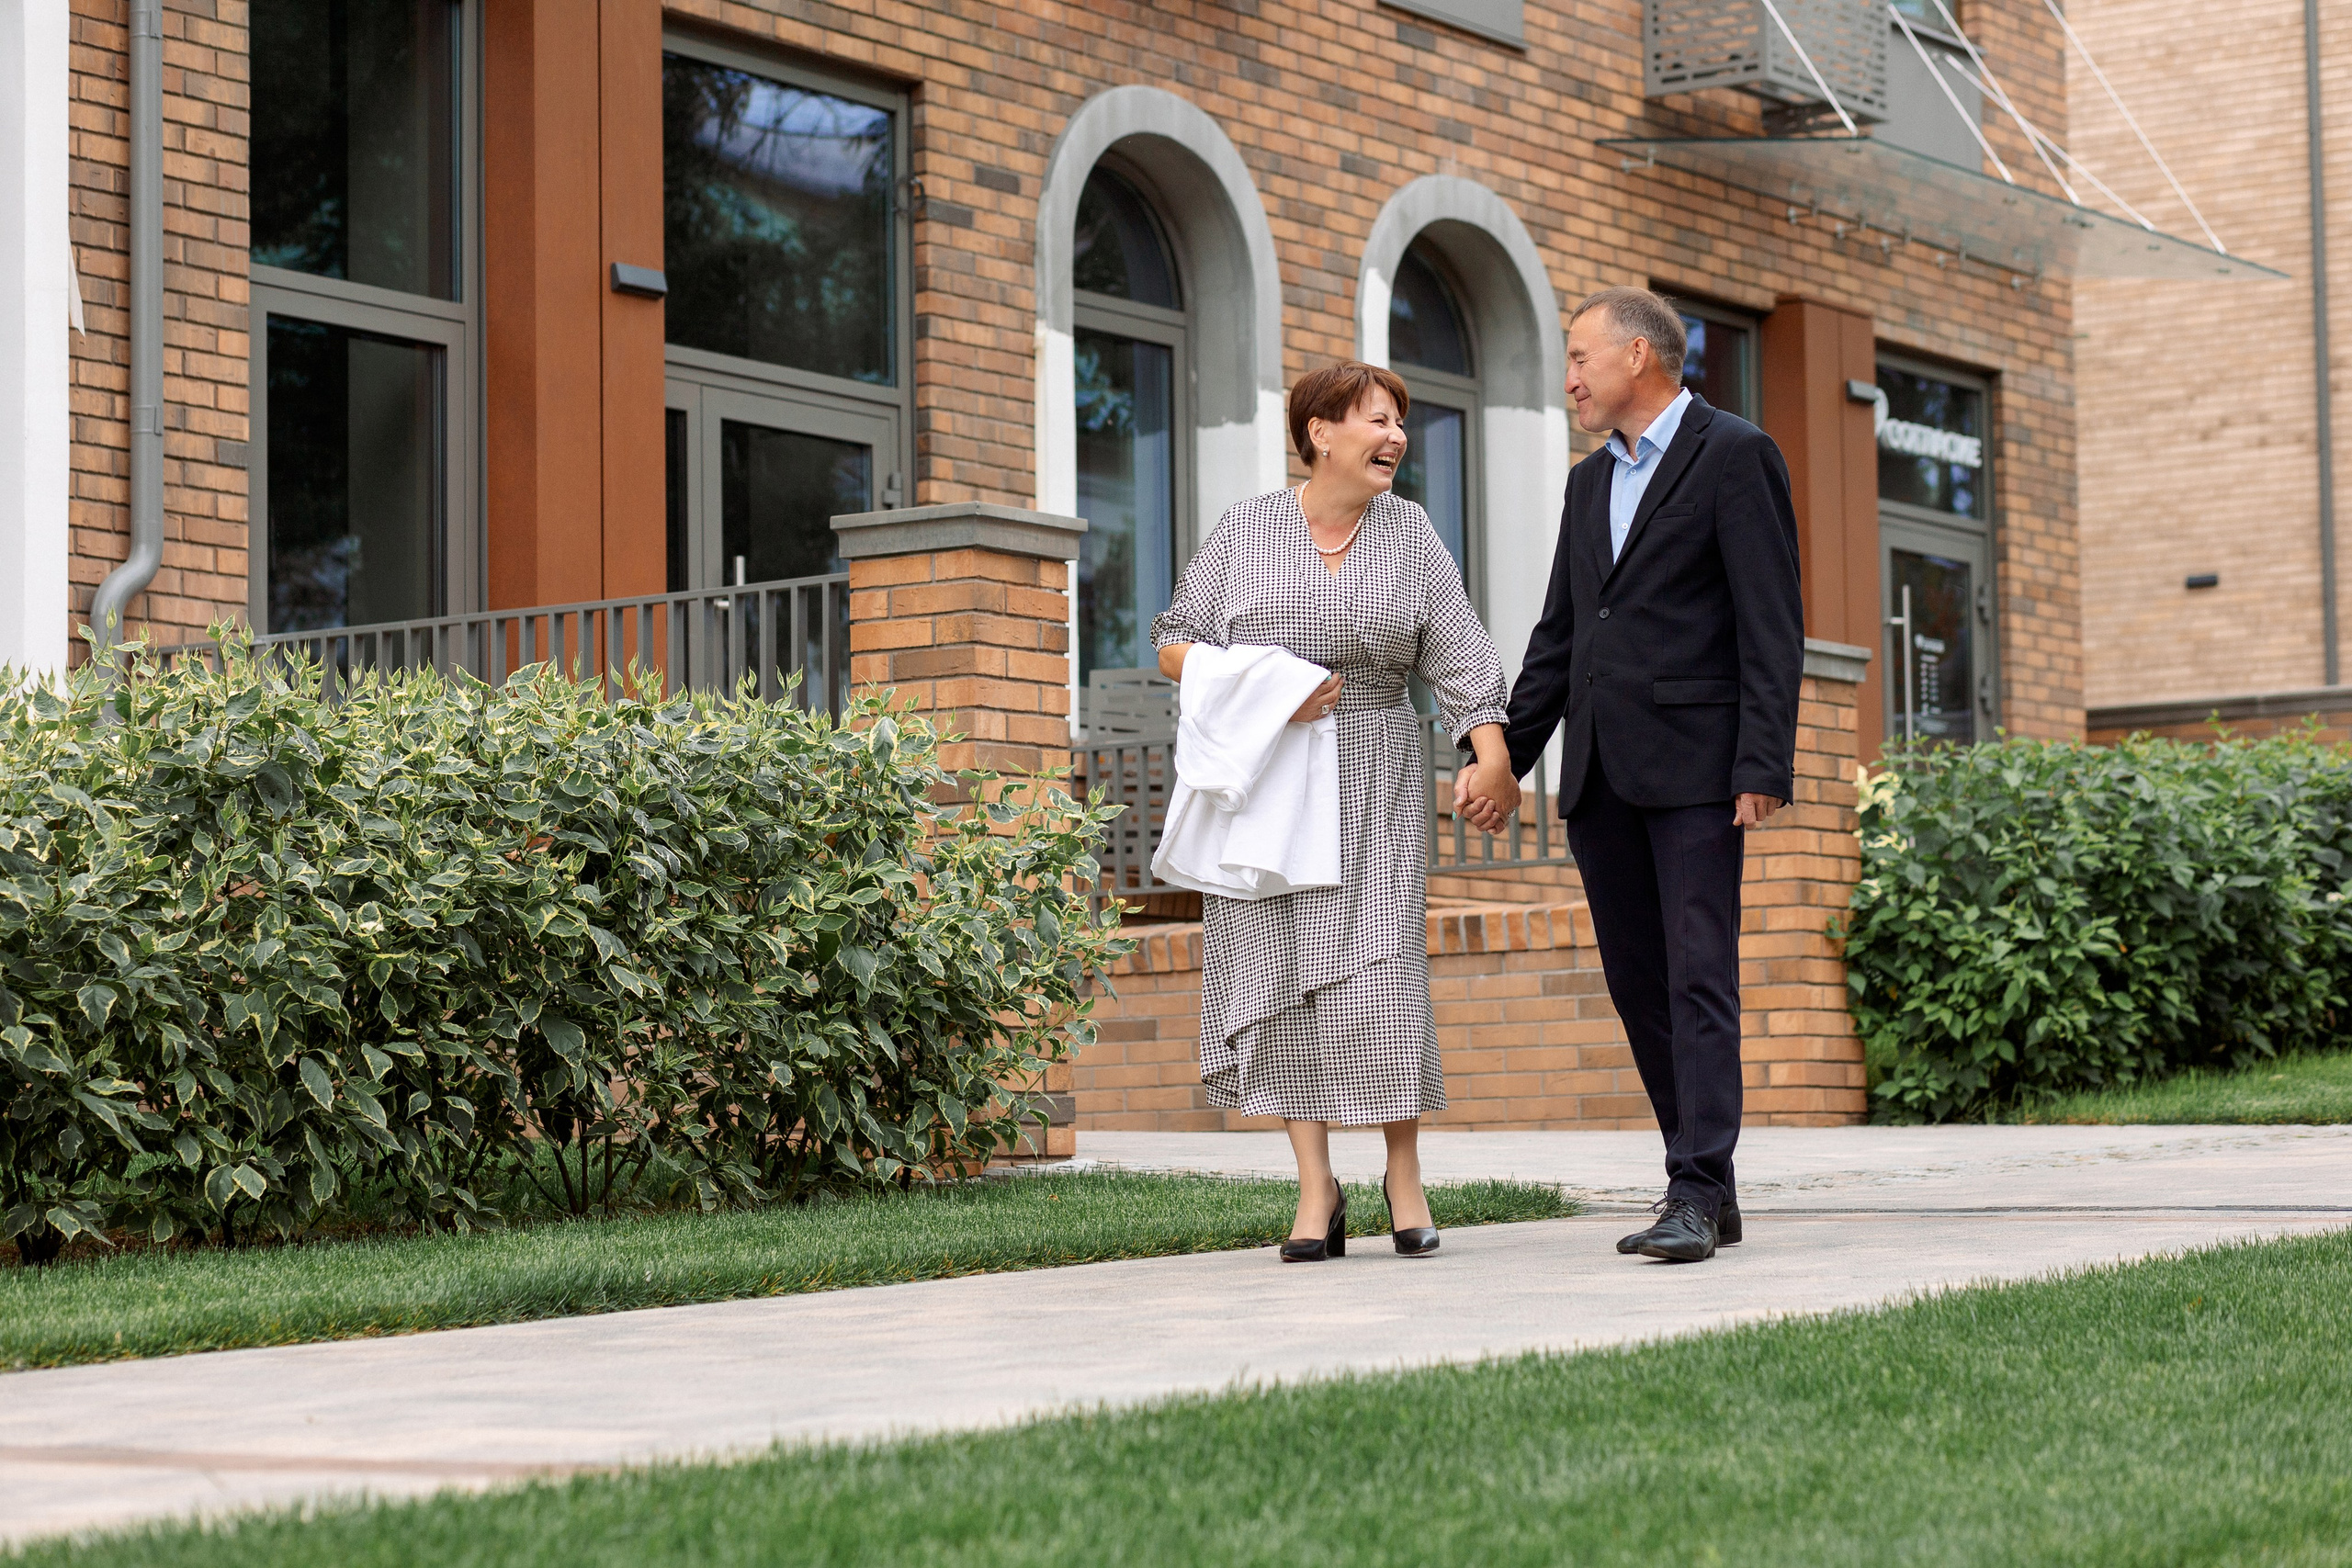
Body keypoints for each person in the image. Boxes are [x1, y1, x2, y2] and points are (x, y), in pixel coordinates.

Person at [1459, 287, 1803, 1263]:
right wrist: (1504, 757)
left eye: (1579, 357)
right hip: (1601, 774)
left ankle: (1692, 1189)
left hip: (1698, 769)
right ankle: (1707, 1179)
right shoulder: (1585, 484)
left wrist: (1761, 761)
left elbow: (1769, 623)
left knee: (1699, 977)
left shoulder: (1734, 455)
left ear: (1640, 357)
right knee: (1637, 982)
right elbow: (1562, 635)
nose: (1568, 378)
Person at [1153, 361, 1519, 1262]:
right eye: (1376, 420)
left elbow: (1462, 656)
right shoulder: (1244, 529)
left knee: (1377, 968)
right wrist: (1271, 688)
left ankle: (1402, 1171)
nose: (1395, 437)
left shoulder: (1411, 533)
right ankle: (1315, 1186)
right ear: (1319, 431)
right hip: (1268, 776)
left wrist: (1493, 756)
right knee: (1277, 973)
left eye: (1399, 422)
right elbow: (1175, 642)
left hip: (1374, 772)